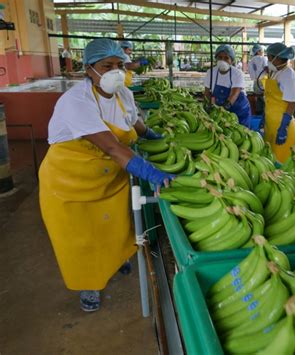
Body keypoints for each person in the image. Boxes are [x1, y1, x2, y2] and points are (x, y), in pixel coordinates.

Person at [39, 38, 174, 312]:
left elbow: (132, 120)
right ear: (89, 69)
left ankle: (114, 260)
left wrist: (150, 134)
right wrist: (150, 172)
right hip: (70, 181)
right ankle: (88, 286)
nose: (115, 71)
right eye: (107, 65)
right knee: (81, 237)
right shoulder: (76, 101)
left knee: (113, 225)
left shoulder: (124, 93)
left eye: (119, 65)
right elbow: (112, 146)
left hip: (108, 177)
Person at [262, 42, 295, 163]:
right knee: (270, 159)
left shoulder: (288, 76)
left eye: (269, 57)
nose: (268, 60)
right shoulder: (275, 72)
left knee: (281, 162)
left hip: (282, 126)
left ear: (277, 58)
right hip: (271, 123)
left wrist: (284, 127)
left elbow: (292, 103)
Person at [204, 44, 252, 128]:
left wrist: (222, 109)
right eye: (220, 57)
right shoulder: (210, 73)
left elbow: (234, 94)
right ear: (216, 59)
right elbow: (207, 92)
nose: (222, 60)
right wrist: (209, 105)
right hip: (221, 111)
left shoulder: (237, 73)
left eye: (226, 58)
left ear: (232, 60)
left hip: (239, 110)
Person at [248, 44, 268, 115]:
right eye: (262, 51)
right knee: (265, 101)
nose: (263, 52)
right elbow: (267, 69)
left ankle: (258, 114)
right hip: (263, 82)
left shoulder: (251, 61)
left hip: (255, 83)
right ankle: (264, 116)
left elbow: (251, 74)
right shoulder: (263, 59)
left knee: (258, 100)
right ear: (258, 51)